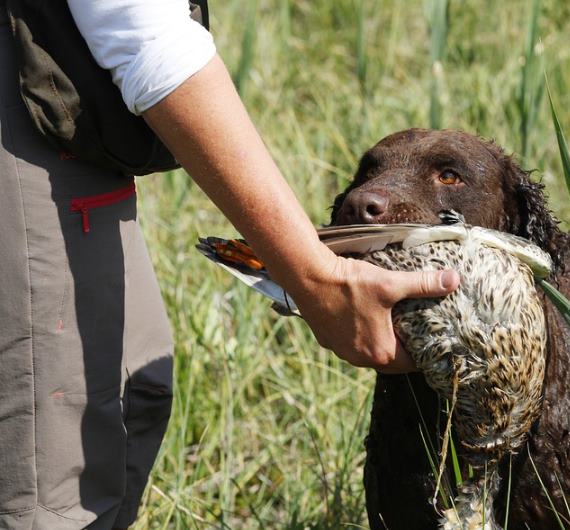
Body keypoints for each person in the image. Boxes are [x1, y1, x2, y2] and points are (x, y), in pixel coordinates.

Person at [0, 1, 459, 528]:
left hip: (70, 86)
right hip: (29, 73)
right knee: (54, 472)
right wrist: (313, 275)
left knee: (133, 396)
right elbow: (144, 33)